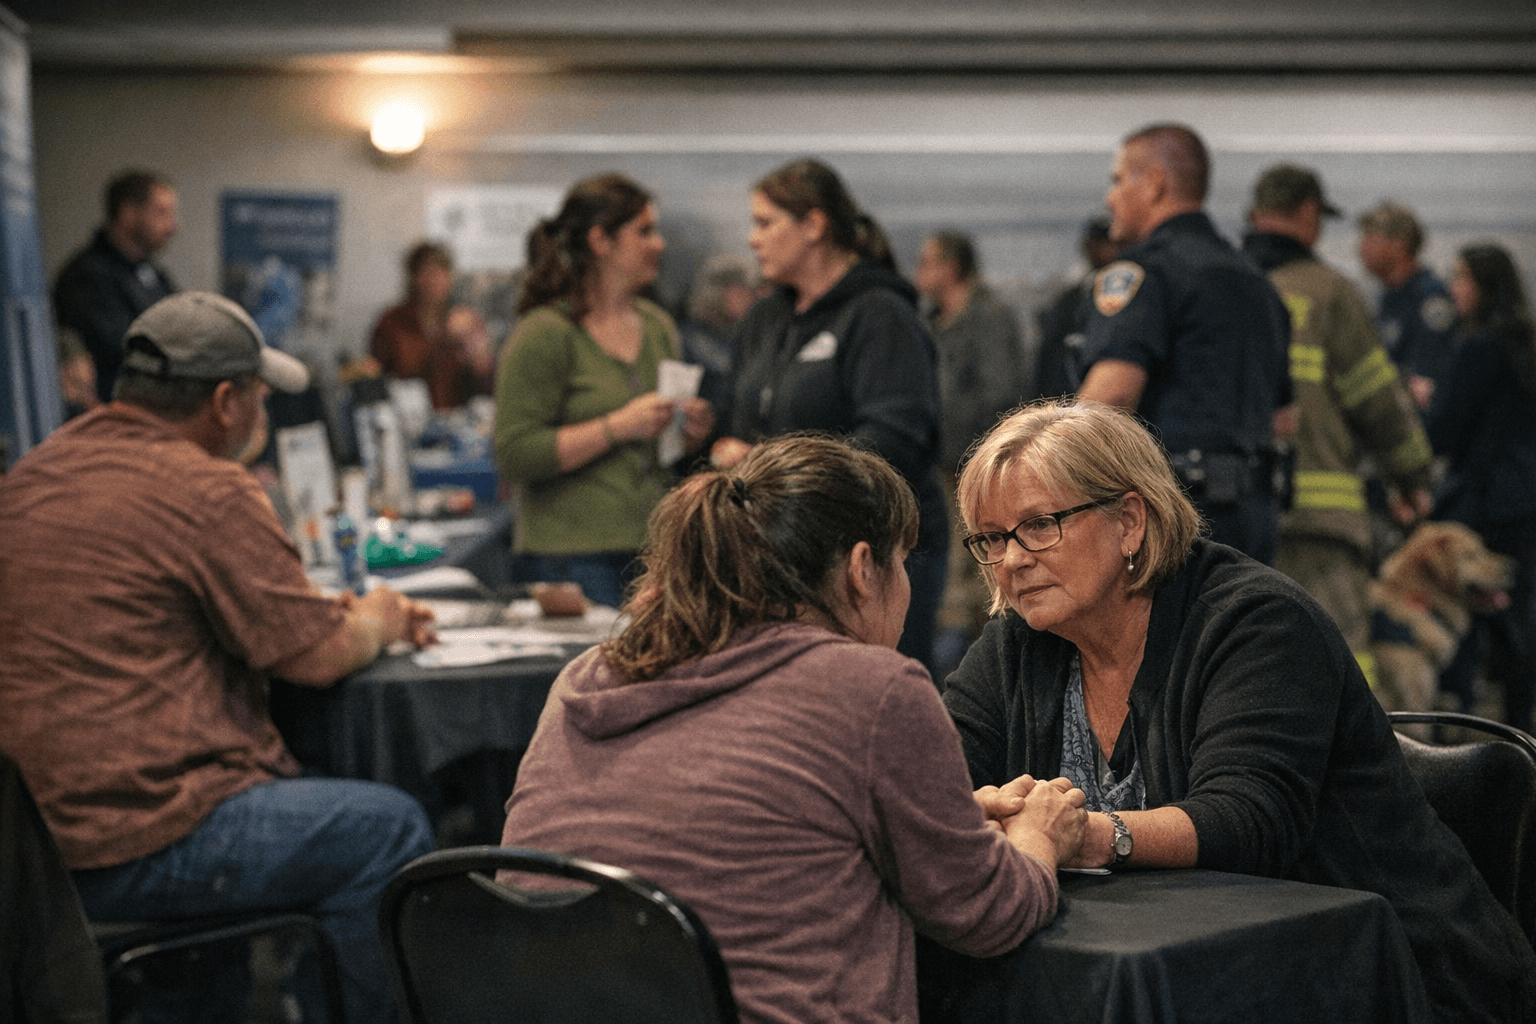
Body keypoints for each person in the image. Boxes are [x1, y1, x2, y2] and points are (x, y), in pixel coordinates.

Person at [943, 399, 1536, 1023]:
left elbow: (1246, 822)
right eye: (991, 539)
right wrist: (969, 811)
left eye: (1039, 525)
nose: (1010, 561)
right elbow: (939, 772)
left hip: (1387, 981)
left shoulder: (1256, 621)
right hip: (1168, 977)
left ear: (1130, 522)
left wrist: (1082, 834)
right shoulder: (1020, 641)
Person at [501, 434, 1085, 1024]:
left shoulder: (586, 677)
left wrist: (950, 819)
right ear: (862, 570)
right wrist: (1039, 835)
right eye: (902, 564)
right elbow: (987, 912)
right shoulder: (872, 688)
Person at [0, 292, 439, 1024]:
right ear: (227, 401)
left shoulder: (35, 474)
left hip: (29, 847)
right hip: (128, 838)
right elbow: (319, 656)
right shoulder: (207, 487)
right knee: (387, 828)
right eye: (262, 398)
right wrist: (379, 620)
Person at [711, 157, 949, 676]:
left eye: (765, 223)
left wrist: (772, 466)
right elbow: (734, 416)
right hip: (782, 555)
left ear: (814, 225)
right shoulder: (765, 317)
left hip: (878, 555)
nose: (753, 240)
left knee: (879, 700)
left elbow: (895, 438)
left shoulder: (881, 314)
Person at [1240, 163, 1435, 686]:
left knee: (1245, 663)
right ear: (1307, 214)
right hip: (1322, 522)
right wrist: (1413, 475)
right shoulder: (1329, 293)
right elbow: (1378, 401)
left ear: (1255, 215)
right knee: (1340, 661)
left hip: (1233, 519)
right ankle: (1357, 768)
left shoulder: (1222, 287)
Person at [1074, 123, 1292, 565]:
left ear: (1154, 184)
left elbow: (1110, 398)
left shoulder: (1146, 272)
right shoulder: (1256, 283)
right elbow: (1284, 419)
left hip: (1173, 517)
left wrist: (1047, 483)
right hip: (1254, 518)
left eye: (1117, 181)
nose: (1109, 197)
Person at [494, 173, 713, 609]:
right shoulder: (544, 333)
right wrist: (618, 426)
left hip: (655, 553)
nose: (659, 244)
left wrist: (686, 433)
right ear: (600, 241)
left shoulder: (657, 327)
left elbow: (666, 453)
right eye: (644, 231)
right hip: (570, 562)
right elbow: (515, 453)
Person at [1425, 243, 1536, 734]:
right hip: (1524, 503)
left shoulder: (1478, 346)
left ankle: (1460, 732)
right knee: (1518, 622)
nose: (1454, 288)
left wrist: (1429, 398)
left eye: (1462, 277)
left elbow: (1443, 432)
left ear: (1485, 286)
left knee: (1464, 620)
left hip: (1481, 503)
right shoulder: (1526, 344)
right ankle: (1519, 732)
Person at [51, 169, 180, 404]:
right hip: (115, 415)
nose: (173, 226)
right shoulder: (87, 276)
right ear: (128, 213)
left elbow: (183, 318)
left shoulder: (148, 270)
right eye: (162, 213)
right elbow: (125, 352)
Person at [914, 229, 1026, 472]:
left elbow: (1000, 394)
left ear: (951, 268)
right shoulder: (928, 321)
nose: (918, 272)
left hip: (976, 461)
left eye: (925, 263)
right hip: (934, 459)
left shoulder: (990, 318)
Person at [368, 240, 496, 410]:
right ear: (413, 277)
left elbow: (487, 382)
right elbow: (378, 377)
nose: (433, 279)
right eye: (426, 272)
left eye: (441, 271)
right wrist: (441, 340)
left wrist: (475, 350)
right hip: (407, 417)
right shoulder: (392, 322)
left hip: (457, 419)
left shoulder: (465, 319)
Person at [1357, 200, 1459, 409]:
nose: (1361, 249)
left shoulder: (1430, 297)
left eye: (1371, 239)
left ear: (1398, 244)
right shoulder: (1389, 295)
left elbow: (1426, 381)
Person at [1034, 215, 1122, 401]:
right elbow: (1049, 355)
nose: (1100, 250)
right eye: (1095, 243)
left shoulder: (1133, 291)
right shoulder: (1071, 294)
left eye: (1107, 244)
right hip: (1068, 396)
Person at [678, 252, 758, 412]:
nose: (751, 299)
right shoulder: (687, 341)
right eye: (741, 292)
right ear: (717, 293)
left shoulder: (745, 336)